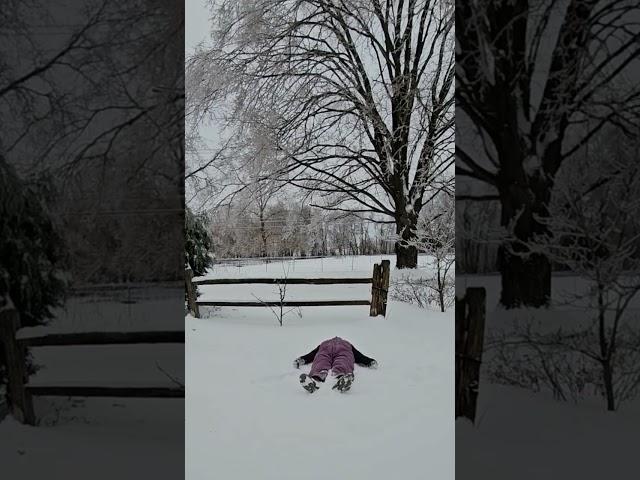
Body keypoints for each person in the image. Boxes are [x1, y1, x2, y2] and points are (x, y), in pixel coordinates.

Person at [293, 336, 377, 393]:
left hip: (343, 351)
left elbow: (358, 355)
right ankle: (316, 378)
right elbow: (312, 354)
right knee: (321, 360)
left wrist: (369, 361)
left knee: (343, 361)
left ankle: (341, 377)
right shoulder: (324, 343)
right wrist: (302, 359)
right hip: (325, 350)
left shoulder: (347, 344)